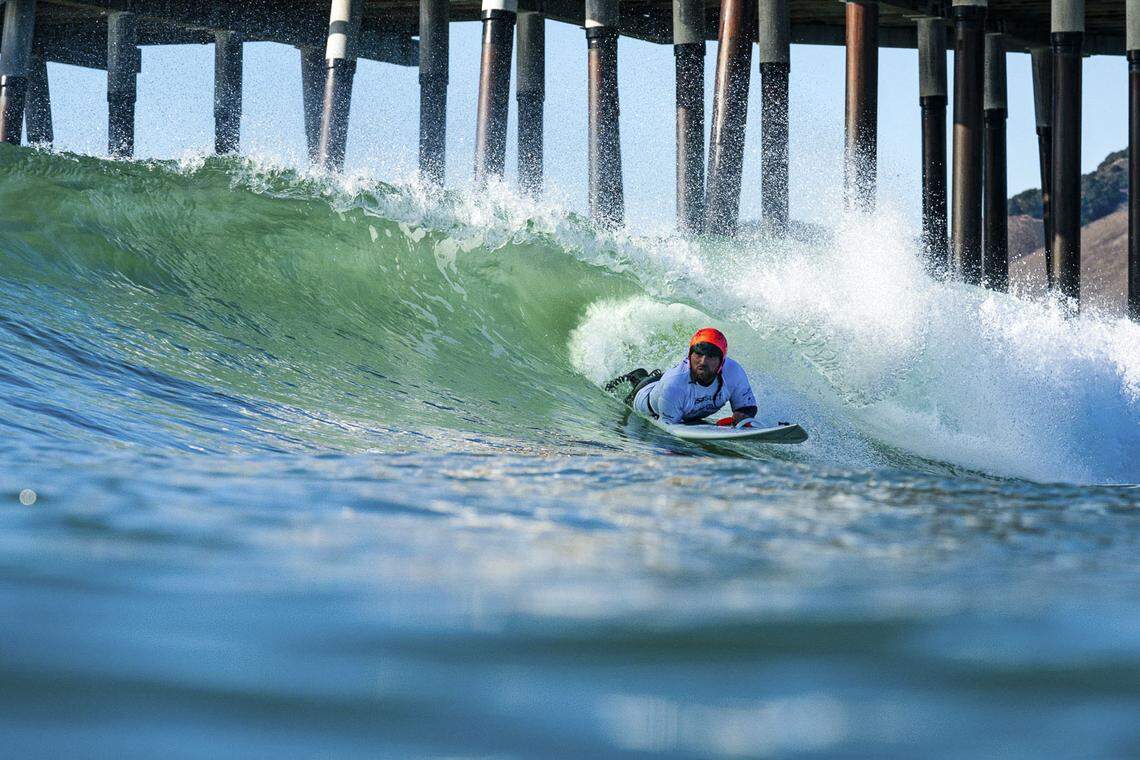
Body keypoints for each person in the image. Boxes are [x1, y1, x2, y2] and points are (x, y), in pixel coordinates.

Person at [604, 327, 759, 426]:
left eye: (711, 356)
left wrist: (742, 417)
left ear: (722, 361)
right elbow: (669, 430)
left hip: (673, 389)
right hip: (644, 400)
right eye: (698, 354)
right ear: (689, 356)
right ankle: (638, 377)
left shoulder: (734, 373)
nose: (703, 361)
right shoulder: (674, 384)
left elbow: (747, 408)